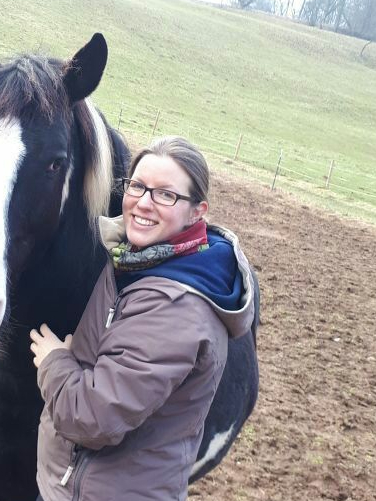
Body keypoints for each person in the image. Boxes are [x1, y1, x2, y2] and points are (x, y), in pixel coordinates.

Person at [30, 136, 256, 501]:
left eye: (166, 194)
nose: (144, 203)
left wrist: (54, 362)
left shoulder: (176, 309)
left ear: (197, 212)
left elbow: (95, 419)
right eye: (137, 186)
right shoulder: (136, 258)